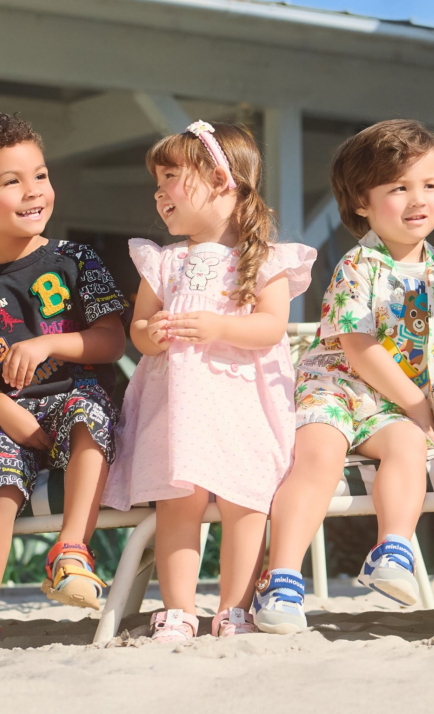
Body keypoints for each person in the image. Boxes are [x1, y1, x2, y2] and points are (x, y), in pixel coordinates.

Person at [252, 119, 434, 634]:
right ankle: (284, 577)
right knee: (320, 457)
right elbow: (357, 346)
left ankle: (392, 548)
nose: (417, 199)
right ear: (362, 202)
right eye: (398, 187)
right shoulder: (360, 265)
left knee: (407, 447)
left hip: (393, 409)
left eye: (428, 185)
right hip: (338, 386)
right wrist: (418, 402)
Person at [102, 120, 315, 642]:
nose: (159, 193)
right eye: (157, 183)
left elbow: (269, 328)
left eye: (171, 177)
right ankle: (178, 608)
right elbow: (139, 330)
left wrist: (219, 326)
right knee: (180, 501)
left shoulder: (265, 258)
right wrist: (153, 332)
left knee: (247, 502)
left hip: (242, 401)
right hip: (178, 404)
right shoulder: (165, 261)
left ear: (222, 180)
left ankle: (234, 609)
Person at [0, 112, 127, 649]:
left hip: (74, 397)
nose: (33, 191)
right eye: (11, 181)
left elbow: (111, 340)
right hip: (6, 412)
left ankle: (71, 552)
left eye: (39, 175)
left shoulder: (76, 259)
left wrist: (48, 343)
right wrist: (7, 413)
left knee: (91, 416)